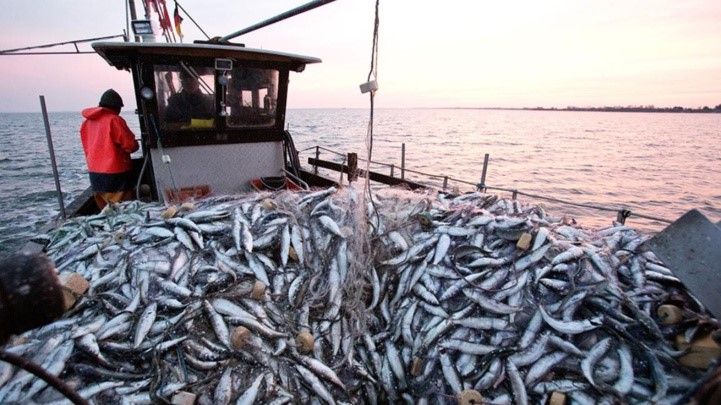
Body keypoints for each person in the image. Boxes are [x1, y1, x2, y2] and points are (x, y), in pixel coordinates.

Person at [80, 89, 140, 210]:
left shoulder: (87, 123)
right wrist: (136, 144)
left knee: (106, 214)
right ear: (117, 107)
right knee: (124, 213)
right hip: (116, 177)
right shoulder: (114, 120)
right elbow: (130, 146)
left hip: (95, 178)